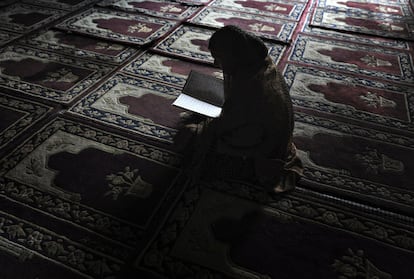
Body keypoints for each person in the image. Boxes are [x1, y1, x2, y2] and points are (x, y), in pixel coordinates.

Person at [181, 25, 302, 193]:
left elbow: (233, 132)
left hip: (262, 156)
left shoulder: (252, 87)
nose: (216, 64)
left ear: (232, 57)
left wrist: (203, 130)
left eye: (219, 58)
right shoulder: (258, 64)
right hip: (259, 134)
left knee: (187, 134)